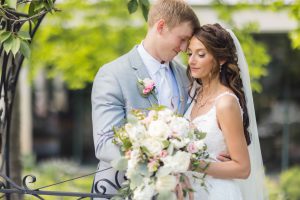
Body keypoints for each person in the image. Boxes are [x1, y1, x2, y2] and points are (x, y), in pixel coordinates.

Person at [91, 0, 200, 198]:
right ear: (161, 27)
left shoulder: (186, 77)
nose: (185, 48)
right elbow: (105, 144)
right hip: (121, 190)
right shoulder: (113, 74)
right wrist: (161, 166)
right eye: (182, 39)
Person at [184, 23, 267, 200]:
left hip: (217, 192)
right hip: (191, 191)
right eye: (190, 53)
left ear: (221, 59)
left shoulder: (226, 103)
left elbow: (243, 168)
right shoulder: (195, 94)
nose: (192, 60)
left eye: (201, 54)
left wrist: (192, 164)